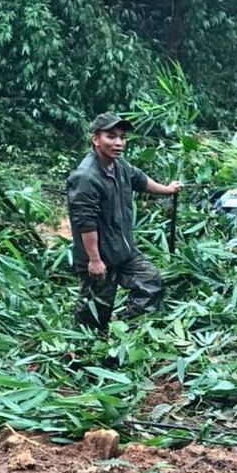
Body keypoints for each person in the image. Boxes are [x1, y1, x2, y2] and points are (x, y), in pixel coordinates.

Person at [67, 112, 182, 331]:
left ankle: (131, 335)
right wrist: (94, 260)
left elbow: (141, 180)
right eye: (111, 136)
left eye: (122, 137)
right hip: (99, 258)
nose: (119, 142)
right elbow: (85, 221)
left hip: (124, 251)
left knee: (150, 281)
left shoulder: (119, 165)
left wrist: (167, 190)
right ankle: (84, 354)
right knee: (95, 312)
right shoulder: (86, 176)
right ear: (96, 139)